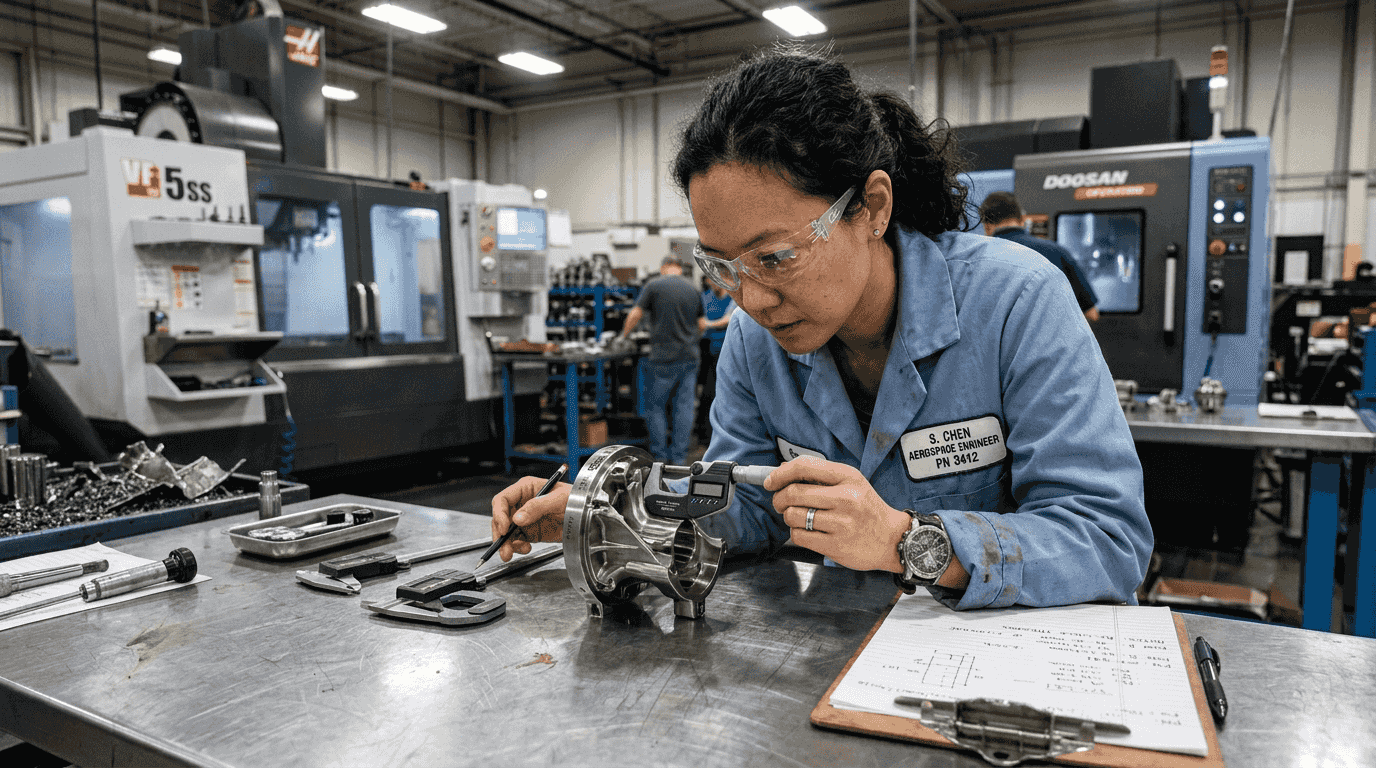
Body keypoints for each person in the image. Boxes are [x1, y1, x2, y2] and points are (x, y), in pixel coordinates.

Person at [492, 45, 1151, 610]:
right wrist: (611, 513)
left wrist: (908, 539)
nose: (750, 299)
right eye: (724, 266)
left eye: (777, 257)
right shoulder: (757, 342)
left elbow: (1107, 539)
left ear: (871, 207)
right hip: (832, 657)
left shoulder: (1017, 301)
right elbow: (745, 500)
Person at [619, 256, 706, 465]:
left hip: (662, 358)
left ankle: (659, 456)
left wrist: (623, 337)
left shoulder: (654, 286)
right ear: (679, 268)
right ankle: (679, 458)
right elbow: (702, 324)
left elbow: (635, 314)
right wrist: (690, 340)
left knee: (655, 407)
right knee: (684, 407)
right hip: (689, 357)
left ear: (664, 267)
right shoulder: (693, 289)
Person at [980, 191, 1101, 322]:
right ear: (1022, 220)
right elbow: (1091, 314)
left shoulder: (978, 259)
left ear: (986, 226)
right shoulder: (1057, 252)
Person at [695, 279, 737, 442]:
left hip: (726, 352)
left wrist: (709, 324)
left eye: (715, 280)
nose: (712, 283)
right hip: (708, 350)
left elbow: (730, 318)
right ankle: (705, 434)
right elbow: (700, 320)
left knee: (720, 393)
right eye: (709, 280)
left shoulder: (732, 298)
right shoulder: (705, 297)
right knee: (706, 393)